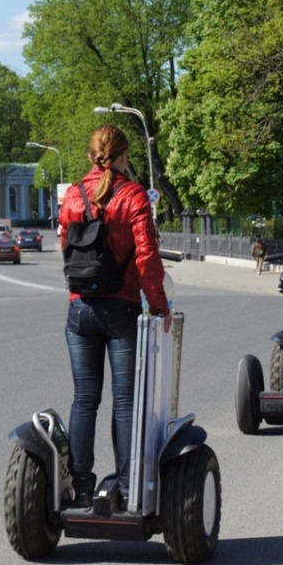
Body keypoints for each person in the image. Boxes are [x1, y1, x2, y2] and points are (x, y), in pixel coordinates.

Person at [58, 124, 170, 509]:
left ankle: (81, 487)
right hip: (121, 309)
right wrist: (159, 306)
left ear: (91, 156)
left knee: (84, 400)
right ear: (123, 156)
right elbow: (146, 257)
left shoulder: (73, 196)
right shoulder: (133, 195)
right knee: (125, 402)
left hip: (79, 309)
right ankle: (124, 486)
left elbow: (65, 249)